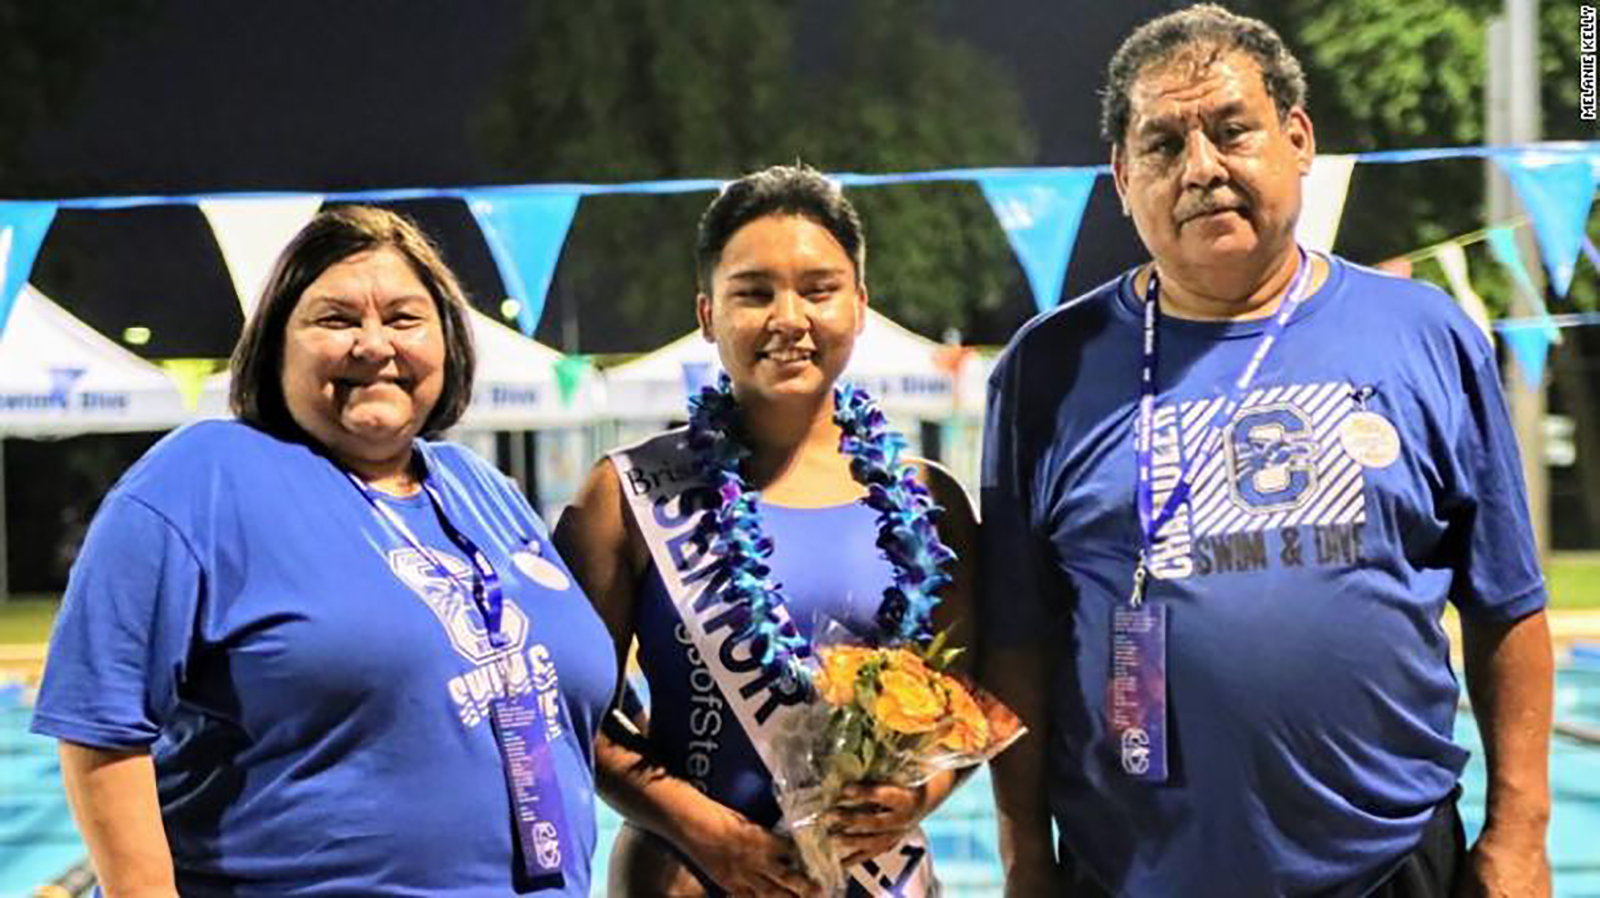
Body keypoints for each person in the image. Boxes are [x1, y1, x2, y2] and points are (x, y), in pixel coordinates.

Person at [981, 5, 1553, 897]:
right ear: (1123, 180)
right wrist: (1023, 859)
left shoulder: (1425, 335)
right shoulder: (1047, 370)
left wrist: (1519, 835)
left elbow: (1507, 604)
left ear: (1298, 140)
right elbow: (1016, 641)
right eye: (1164, 146)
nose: (1202, 168)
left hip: (1388, 865)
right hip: (1130, 872)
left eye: (1232, 131)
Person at [31, 206, 616, 896]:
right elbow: (102, 728)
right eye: (335, 320)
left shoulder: (482, 489)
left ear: (450, 341)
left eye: (404, 319)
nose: (374, 345)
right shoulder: (200, 480)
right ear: (276, 343)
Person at [554, 164, 980, 897]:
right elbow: (566, 712)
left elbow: (967, 704)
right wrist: (700, 829)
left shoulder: (927, 499)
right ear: (707, 313)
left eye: (819, 290)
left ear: (860, 305)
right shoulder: (624, 496)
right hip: (686, 880)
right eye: (753, 293)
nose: (790, 319)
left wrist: (914, 801)